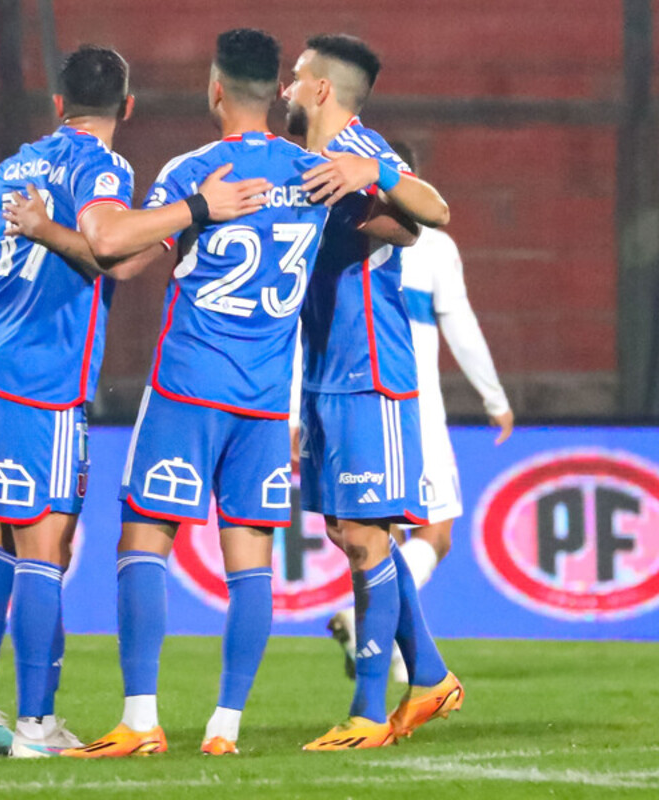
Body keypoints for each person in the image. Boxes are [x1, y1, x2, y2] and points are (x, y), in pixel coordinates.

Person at [0, 44, 269, 758]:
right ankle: (35, 725)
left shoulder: (9, 168)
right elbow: (104, 239)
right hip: (39, 381)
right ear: (126, 108)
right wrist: (195, 208)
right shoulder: (103, 166)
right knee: (43, 547)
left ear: (57, 103)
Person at [282, 34, 464, 750]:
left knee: (367, 537)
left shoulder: (363, 147)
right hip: (324, 368)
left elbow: (433, 213)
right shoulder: (304, 163)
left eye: (297, 78)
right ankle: (432, 677)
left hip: (372, 371)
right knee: (350, 531)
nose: (287, 89)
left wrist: (375, 171)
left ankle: (366, 710)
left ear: (322, 89)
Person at [325, 140, 514, 684]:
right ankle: (372, 637)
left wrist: (293, 412)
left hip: (343, 395)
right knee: (434, 534)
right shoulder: (432, 243)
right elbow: (461, 325)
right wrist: (495, 399)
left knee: (372, 533)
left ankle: (401, 657)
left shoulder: (335, 226)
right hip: (412, 402)